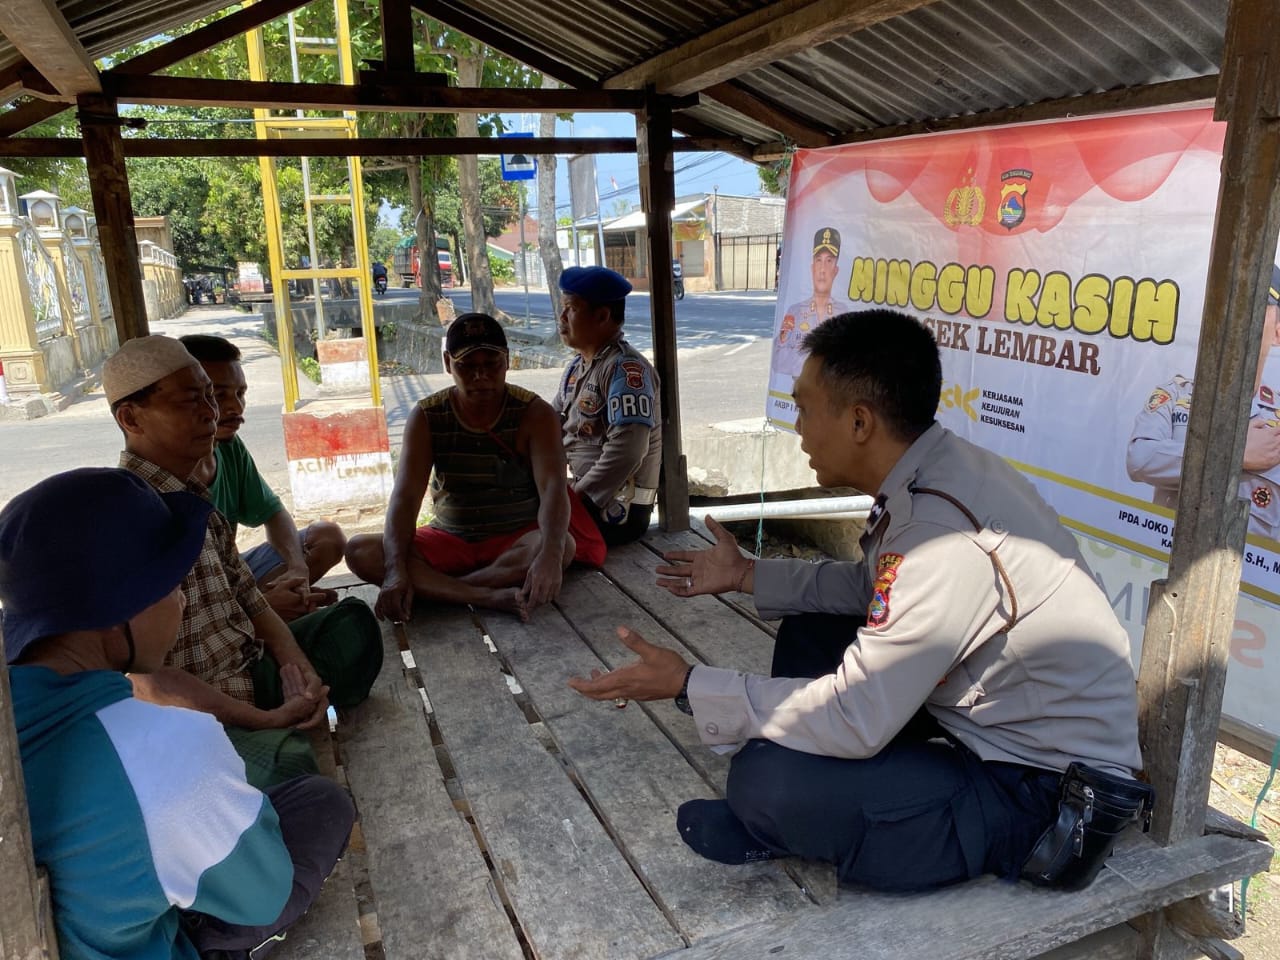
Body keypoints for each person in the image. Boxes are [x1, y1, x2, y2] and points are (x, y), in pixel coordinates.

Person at [570, 308, 1151, 893]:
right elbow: (871, 590)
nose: (797, 427)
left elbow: (856, 717)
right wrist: (747, 574)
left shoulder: (943, 537)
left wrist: (690, 685)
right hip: (991, 714)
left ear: (859, 422)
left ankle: (799, 821)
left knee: (767, 781)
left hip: (1044, 790)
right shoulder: (931, 470)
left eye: (803, 407)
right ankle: (831, 803)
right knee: (812, 631)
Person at [2, 467, 355, 960]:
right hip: (154, 941)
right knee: (324, 804)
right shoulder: (166, 750)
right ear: (120, 611)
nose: (182, 599)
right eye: (171, 586)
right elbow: (263, 896)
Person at [103, 335, 382, 788]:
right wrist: (263, 719)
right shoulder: (122, 517)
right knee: (292, 768)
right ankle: (269, 735)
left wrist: (304, 678)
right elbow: (151, 684)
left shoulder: (194, 495)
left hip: (251, 671)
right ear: (130, 417)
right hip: (197, 711)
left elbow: (251, 601)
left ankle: (292, 712)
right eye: (192, 401)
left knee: (353, 624)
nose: (212, 414)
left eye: (211, 398)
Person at [346, 313, 606, 622]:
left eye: (491, 364)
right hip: (449, 538)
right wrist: (393, 571)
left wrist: (549, 557)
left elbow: (553, 491)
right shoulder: (426, 417)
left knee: (561, 547)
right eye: (466, 366)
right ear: (447, 363)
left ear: (508, 361)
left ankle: (437, 590)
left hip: (514, 540)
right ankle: (483, 596)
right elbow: (404, 499)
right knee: (360, 551)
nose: (480, 376)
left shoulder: (535, 414)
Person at [180, 334, 346, 622]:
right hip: (191, 603)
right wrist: (260, 608)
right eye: (218, 396)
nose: (235, 408)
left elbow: (272, 512)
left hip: (232, 576)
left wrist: (297, 569)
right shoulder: (160, 478)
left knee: (326, 538)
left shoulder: (228, 447)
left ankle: (278, 604)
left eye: (240, 394)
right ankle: (265, 614)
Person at [1128, 266, 1280, 538]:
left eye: (1256, 304)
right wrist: (1234, 454)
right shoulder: (1176, 395)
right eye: (1230, 302)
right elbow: (1140, 461)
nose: (1239, 315)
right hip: (1164, 568)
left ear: (1278, 331)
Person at [555, 266, 662, 546]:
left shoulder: (626, 371)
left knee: (529, 539)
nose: (562, 316)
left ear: (602, 316)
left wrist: (577, 498)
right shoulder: (578, 368)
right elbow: (550, 423)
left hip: (613, 511)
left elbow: (628, 450)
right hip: (584, 497)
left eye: (571, 308)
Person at [772, 227, 852, 381]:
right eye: (818, 260)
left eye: (829, 261)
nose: (822, 269)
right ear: (812, 268)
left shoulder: (844, 314)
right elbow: (778, 358)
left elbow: (849, 361)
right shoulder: (795, 312)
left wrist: (801, 355)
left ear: (835, 270)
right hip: (801, 399)